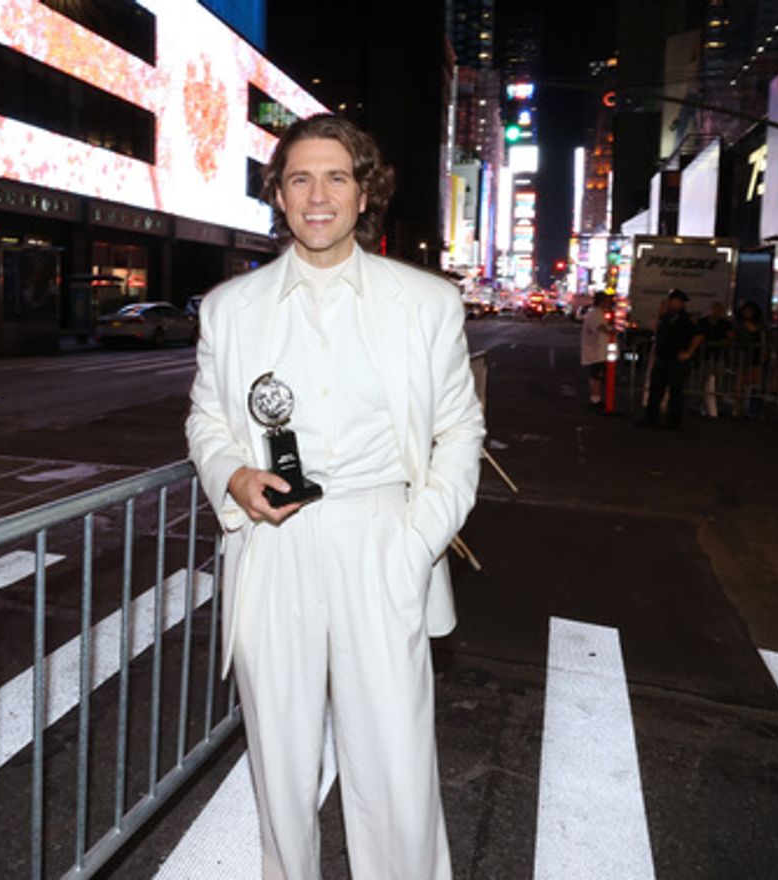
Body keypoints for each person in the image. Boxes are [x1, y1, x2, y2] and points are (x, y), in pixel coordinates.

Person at [185, 113, 484, 880]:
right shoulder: (228, 309)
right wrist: (232, 475)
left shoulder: (426, 303)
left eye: (336, 177)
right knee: (278, 754)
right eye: (299, 179)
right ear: (279, 197)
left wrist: (415, 541)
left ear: (364, 193)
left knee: (394, 755)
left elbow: (459, 430)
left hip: (381, 536)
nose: (317, 195)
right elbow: (208, 416)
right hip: (270, 545)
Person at [636, 289, 704, 429]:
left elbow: (698, 336)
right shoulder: (665, 317)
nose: (677, 304)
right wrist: (660, 314)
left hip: (677, 360)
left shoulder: (686, 319)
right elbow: (657, 331)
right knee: (655, 390)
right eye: (675, 301)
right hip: (662, 358)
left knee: (676, 392)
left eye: (680, 302)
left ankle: (674, 421)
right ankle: (651, 419)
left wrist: (689, 353)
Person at [697, 301, 733, 417]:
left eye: (719, 310)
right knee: (702, 380)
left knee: (718, 380)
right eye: (714, 309)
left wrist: (718, 343)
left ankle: (716, 405)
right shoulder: (703, 322)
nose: (716, 312)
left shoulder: (725, 324)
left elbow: (730, 338)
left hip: (719, 355)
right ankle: (701, 404)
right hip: (705, 355)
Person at [580, 291, 614, 410]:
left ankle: (595, 398)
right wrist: (612, 332)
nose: (609, 303)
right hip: (596, 352)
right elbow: (601, 327)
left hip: (595, 351)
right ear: (601, 302)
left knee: (595, 376)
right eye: (607, 301)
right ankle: (596, 400)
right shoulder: (596, 314)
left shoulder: (596, 313)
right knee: (597, 376)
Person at [733, 301, 766, 418]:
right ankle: (739, 407)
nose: (748, 313)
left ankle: (751, 407)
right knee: (740, 381)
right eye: (746, 311)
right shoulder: (739, 324)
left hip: (755, 355)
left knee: (754, 381)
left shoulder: (760, 325)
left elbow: (762, 337)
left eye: (750, 311)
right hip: (742, 354)